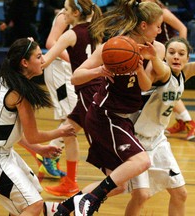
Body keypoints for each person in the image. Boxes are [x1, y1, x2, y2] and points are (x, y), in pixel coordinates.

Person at [43, 1, 165, 215]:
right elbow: (75, 77)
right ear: (144, 26)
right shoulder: (113, 47)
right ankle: (91, 199)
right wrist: (98, 71)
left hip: (124, 118)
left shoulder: (154, 49)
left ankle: (62, 210)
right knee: (142, 160)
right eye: (158, 25)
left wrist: (140, 66)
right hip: (105, 115)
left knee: (118, 185)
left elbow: (146, 85)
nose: (160, 30)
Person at [124, 14, 195, 216]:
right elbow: (159, 67)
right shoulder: (160, 71)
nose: (176, 56)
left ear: (187, 58)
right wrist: (154, 57)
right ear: (165, 56)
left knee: (180, 194)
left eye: (181, 54)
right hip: (136, 141)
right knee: (140, 196)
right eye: (171, 52)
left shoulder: (186, 72)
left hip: (158, 140)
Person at [0, 38, 75, 216]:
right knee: (33, 205)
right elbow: (33, 135)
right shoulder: (18, 93)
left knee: (27, 199)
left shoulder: (9, 79)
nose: (44, 60)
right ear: (24, 63)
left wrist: (39, 148)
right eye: (39, 56)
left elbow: (8, 131)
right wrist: (61, 131)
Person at [40, 0, 103, 197]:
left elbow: (45, 61)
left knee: (103, 147)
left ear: (75, 13)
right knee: (68, 132)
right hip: (97, 87)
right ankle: (70, 182)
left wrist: (27, 50)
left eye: (66, 10)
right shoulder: (96, 30)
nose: (62, 12)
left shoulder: (71, 34)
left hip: (87, 92)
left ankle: (126, 177)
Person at [145, 0, 195, 141]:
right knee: (163, 92)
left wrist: (180, 50)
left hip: (168, 54)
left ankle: (189, 122)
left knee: (168, 90)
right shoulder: (144, 12)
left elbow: (183, 28)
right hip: (156, 53)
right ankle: (182, 122)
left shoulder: (162, 12)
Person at [36, 8, 78, 180]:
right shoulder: (64, 15)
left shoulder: (89, 13)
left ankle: (48, 154)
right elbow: (51, 43)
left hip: (73, 71)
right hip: (59, 70)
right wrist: (75, 59)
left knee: (72, 117)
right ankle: (49, 155)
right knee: (74, 115)